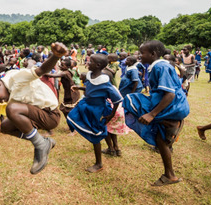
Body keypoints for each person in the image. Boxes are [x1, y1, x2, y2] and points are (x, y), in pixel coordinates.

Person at [0, 42, 68, 174]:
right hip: (37, 116)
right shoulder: (8, 94)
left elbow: (41, 70)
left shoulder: (16, 78)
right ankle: (43, 142)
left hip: (50, 115)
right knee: (4, 126)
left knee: (12, 109)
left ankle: (40, 145)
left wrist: (56, 56)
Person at [122, 40, 189, 186]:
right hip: (162, 105)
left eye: (142, 53)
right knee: (160, 140)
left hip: (172, 107)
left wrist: (151, 114)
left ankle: (171, 123)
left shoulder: (161, 67)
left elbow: (170, 94)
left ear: (153, 54)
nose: (139, 55)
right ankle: (169, 175)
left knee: (130, 99)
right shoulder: (154, 66)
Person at [67, 54, 123, 172]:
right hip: (86, 105)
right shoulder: (90, 76)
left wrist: (111, 115)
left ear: (98, 65)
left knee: (95, 135)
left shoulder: (105, 82)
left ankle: (99, 164)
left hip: (97, 110)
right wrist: (79, 88)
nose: (87, 63)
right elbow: (90, 89)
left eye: (90, 61)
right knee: (71, 117)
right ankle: (110, 148)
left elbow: (117, 99)